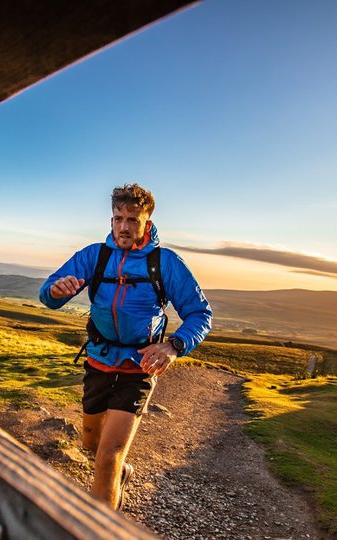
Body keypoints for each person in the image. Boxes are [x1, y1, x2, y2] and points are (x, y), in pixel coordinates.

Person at [39, 183, 212, 510]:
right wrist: (55, 293)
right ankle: (119, 474)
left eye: (133, 219)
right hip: (98, 362)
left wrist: (173, 346)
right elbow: (48, 293)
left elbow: (200, 314)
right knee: (91, 444)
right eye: (118, 218)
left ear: (147, 222)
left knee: (108, 456)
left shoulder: (166, 263)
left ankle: (101, 526)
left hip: (138, 369)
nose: (124, 226)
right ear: (111, 218)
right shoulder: (95, 255)